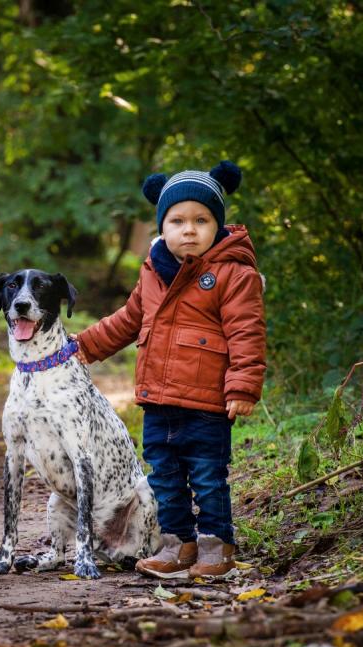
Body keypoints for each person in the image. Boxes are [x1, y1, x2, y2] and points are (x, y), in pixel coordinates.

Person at [74, 161, 265, 579]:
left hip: (207, 402)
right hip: (158, 401)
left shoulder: (233, 273)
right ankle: (177, 545)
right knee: (166, 479)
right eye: (177, 220)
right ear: (163, 227)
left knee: (209, 479)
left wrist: (243, 386)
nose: (189, 229)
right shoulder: (153, 271)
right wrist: (86, 345)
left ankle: (217, 547)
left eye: (202, 219)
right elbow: (128, 319)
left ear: (218, 225)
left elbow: (246, 332)